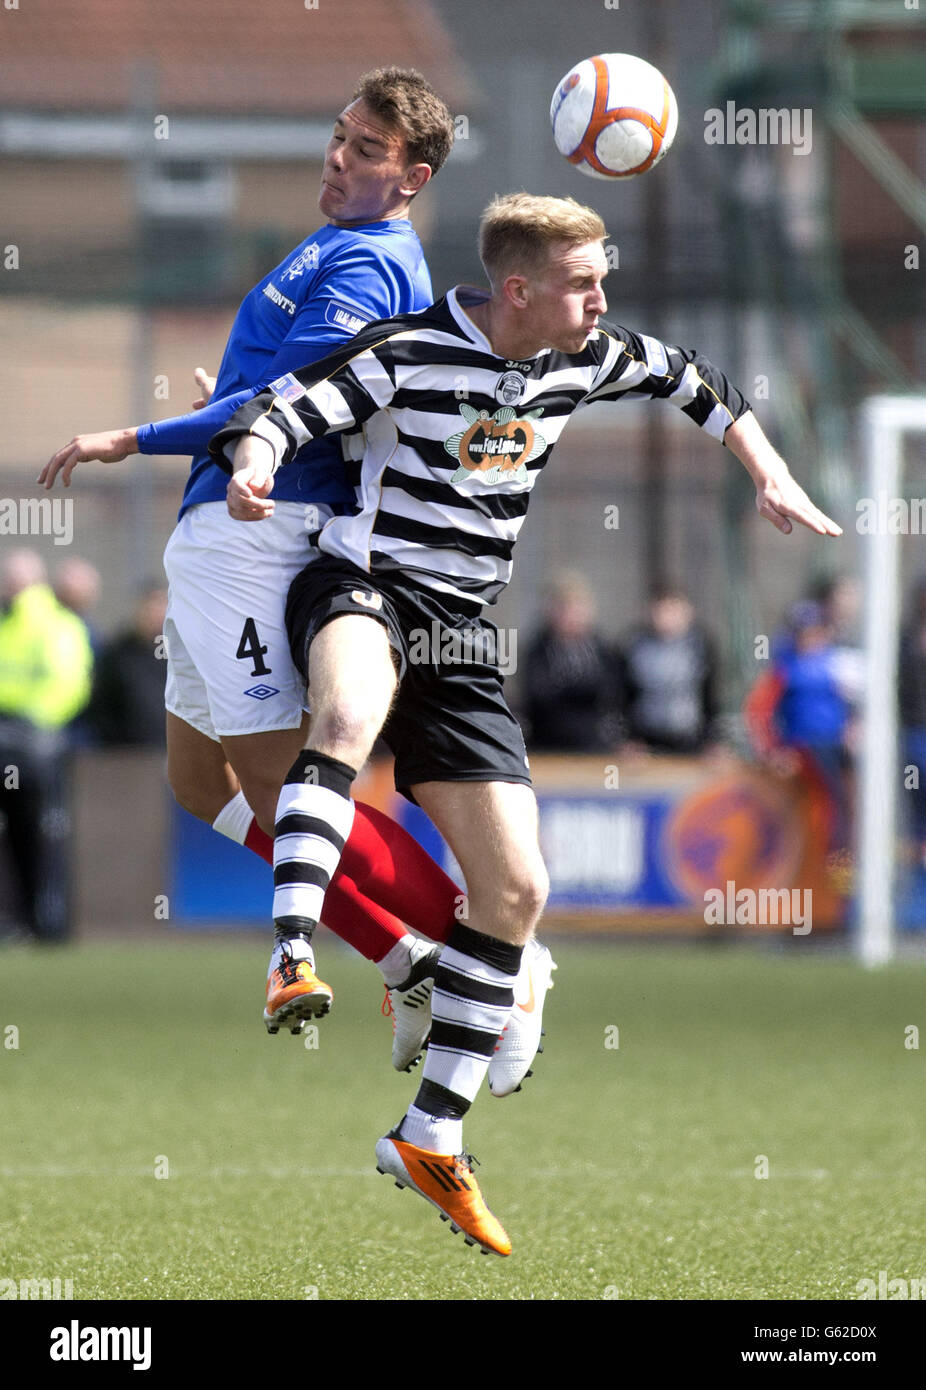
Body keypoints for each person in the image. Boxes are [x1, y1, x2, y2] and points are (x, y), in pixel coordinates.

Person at [211, 192, 842, 1256]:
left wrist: (769, 474)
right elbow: (279, 409)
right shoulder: (408, 349)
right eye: (584, 282)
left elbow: (702, 387)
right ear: (517, 289)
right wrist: (254, 462)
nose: (602, 300)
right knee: (348, 711)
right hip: (362, 584)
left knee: (516, 890)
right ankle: (290, 951)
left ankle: (430, 1134)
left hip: (461, 636)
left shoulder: (584, 356)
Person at [36, 69, 545, 1077]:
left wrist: (130, 436)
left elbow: (284, 397)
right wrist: (226, 403)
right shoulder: (343, 248)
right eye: (339, 133)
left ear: (412, 178)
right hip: (217, 536)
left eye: (365, 149)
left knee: (284, 785)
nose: (338, 155)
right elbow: (287, 392)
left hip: (259, 537)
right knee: (198, 783)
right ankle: (407, 963)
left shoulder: (366, 267)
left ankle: (497, 952)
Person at [0, 549, 93, 942]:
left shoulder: (53, 624)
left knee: (39, 835)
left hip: (35, 748)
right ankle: (28, 923)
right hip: (24, 743)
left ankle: (46, 924)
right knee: (31, 836)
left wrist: (26, 724)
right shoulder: (45, 623)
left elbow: (67, 685)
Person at [523, 569, 620, 752]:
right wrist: (581, 688)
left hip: (595, 747)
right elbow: (539, 696)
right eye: (563, 608)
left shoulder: (602, 650)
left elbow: (611, 694)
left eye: (576, 607)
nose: (570, 614)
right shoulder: (538, 650)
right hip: (549, 747)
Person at [618, 584, 720, 755]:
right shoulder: (635, 646)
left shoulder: (701, 646)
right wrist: (628, 739)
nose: (666, 618)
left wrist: (714, 741)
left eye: (673, 610)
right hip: (647, 739)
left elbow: (711, 696)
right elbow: (623, 697)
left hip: (690, 738)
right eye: (661, 611)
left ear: (687, 613)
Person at [90, 582, 169, 747]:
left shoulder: (178, 655)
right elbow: (102, 706)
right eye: (149, 607)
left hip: (168, 749)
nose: (154, 613)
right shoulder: (118, 654)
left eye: (160, 606)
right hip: (126, 754)